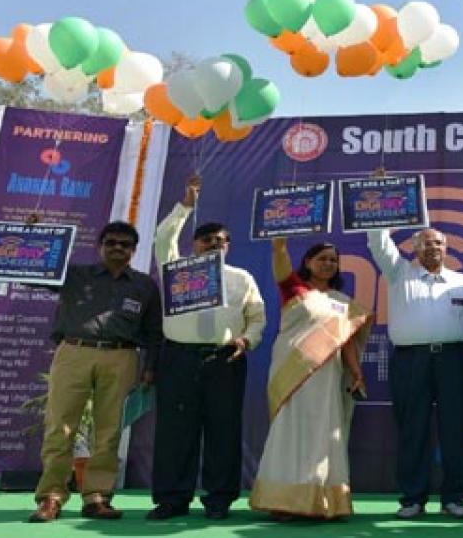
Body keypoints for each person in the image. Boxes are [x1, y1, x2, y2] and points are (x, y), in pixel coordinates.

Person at [147, 175, 266, 520]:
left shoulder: (241, 278)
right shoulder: (174, 269)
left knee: (223, 430)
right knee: (175, 432)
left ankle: (219, 500)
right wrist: (185, 205)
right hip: (178, 357)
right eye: (206, 240)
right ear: (194, 244)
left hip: (224, 360)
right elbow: (163, 236)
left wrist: (247, 340)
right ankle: (171, 499)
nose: (213, 244)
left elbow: (257, 318)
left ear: (228, 246)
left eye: (220, 241)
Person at [28, 221, 163, 523]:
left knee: (109, 430)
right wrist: (32, 235)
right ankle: (51, 497)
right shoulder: (75, 275)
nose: (118, 248)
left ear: (133, 250)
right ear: (99, 246)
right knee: (59, 425)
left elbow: (155, 332)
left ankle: (97, 497)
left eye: (125, 244)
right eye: (111, 242)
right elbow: (34, 271)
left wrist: (151, 367)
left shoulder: (144, 286)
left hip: (122, 356)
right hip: (74, 351)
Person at [366, 221, 463, 520]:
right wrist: (384, 212)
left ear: (447, 248)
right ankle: (412, 499)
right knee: (412, 429)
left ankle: (454, 498)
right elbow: (379, 245)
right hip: (411, 361)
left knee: (457, 431)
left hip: (456, 360)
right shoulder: (399, 273)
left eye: (438, 243)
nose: (433, 247)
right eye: (426, 243)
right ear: (414, 248)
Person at [248, 239, 372, 520]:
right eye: (322, 259)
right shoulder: (293, 288)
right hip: (292, 372)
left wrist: (356, 373)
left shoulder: (342, 303)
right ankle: (282, 502)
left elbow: (348, 342)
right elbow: (280, 260)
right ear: (308, 262)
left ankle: (322, 501)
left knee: (323, 434)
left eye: (333, 260)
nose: (328, 264)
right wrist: (279, 244)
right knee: (288, 432)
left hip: (327, 377)